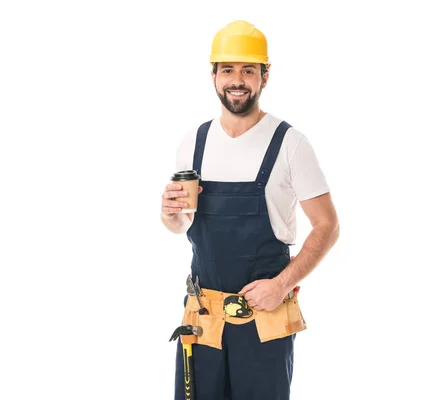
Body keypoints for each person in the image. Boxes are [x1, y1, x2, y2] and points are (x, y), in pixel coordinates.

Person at [160, 20, 340, 400]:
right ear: (213, 76)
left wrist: (281, 285)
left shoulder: (290, 144)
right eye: (227, 69)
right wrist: (169, 215)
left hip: (264, 319)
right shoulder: (194, 142)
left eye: (248, 70)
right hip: (203, 318)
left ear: (264, 77)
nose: (237, 80)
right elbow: (182, 223)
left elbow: (327, 225)